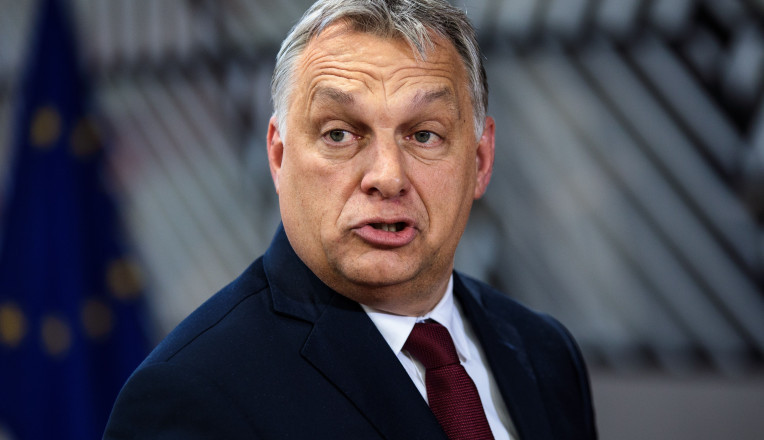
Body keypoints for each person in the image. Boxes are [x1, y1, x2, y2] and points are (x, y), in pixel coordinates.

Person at [104, 0, 597, 438]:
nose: (387, 177)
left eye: (424, 135)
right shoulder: (191, 394)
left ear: (481, 160)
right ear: (279, 157)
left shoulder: (545, 353)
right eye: (339, 134)